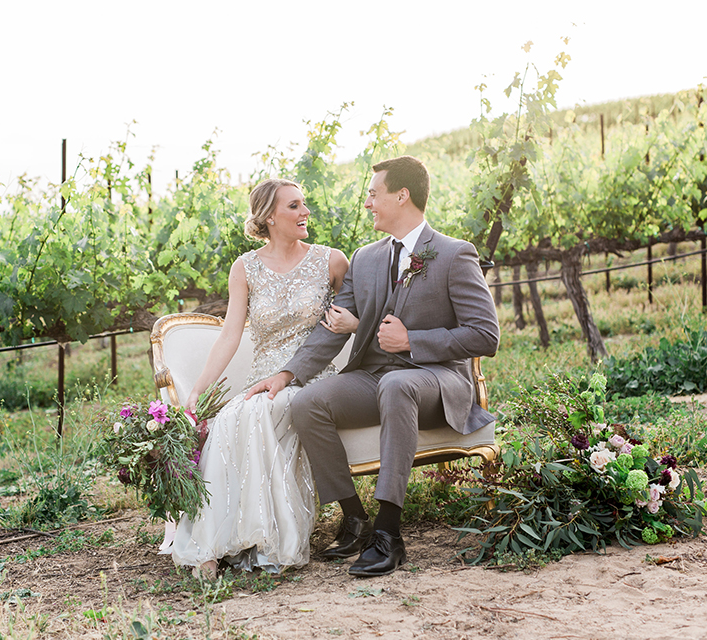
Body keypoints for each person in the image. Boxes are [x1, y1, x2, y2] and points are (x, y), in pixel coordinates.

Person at [246, 156, 500, 577]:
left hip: (436, 382)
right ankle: (355, 518)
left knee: (398, 385)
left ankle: (389, 533)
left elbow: (485, 335)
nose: (367, 203)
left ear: (401, 196)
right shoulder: (364, 258)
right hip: (374, 377)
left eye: (372, 193)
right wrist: (287, 374)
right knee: (308, 402)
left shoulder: (455, 254)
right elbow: (332, 329)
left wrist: (413, 341)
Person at [165, 178, 352, 579]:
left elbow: (361, 314)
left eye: (304, 204)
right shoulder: (245, 267)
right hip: (261, 376)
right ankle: (211, 544)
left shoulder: (331, 260)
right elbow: (230, 334)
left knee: (264, 410)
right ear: (269, 216)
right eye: (294, 206)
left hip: (310, 376)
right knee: (231, 419)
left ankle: (265, 539)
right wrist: (198, 388)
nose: (305, 213)